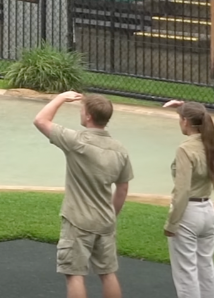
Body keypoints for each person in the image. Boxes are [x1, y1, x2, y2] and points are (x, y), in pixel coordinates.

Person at [33, 92, 133, 298]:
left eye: (82, 110)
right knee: (108, 273)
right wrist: (111, 216)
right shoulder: (120, 150)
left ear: (88, 116)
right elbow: (122, 189)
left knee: (74, 275)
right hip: (105, 221)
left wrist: (61, 97)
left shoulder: (76, 141)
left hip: (78, 221)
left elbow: (40, 120)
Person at [162, 100, 214, 298]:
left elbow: (182, 190)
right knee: (206, 269)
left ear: (185, 121)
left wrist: (171, 223)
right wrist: (186, 105)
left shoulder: (185, 149)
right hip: (208, 212)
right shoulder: (209, 142)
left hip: (188, 214)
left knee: (186, 273)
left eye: (180, 119)